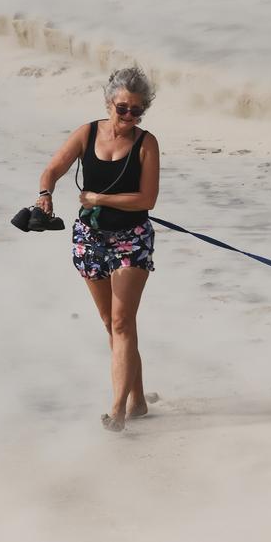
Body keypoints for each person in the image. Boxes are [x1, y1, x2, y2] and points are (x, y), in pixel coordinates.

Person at [36, 66, 160, 431]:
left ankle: (117, 409)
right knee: (111, 323)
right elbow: (52, 170)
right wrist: (45, 196)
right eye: (123, 108)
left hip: (131, 238)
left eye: (137, 111)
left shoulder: (146, 143)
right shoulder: (87, 133)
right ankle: (137, 400)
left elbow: (147, 198)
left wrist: (98, 197)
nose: (129, 117)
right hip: (89, 238)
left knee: (123, 322)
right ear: (109, 103)